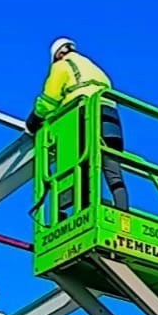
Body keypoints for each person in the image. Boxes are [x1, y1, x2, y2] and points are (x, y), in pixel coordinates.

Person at [25, 37, 128, 212]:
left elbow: (49, 100)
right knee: (112, 167)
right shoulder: (95, 68)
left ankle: (82, 210)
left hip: (82, 114)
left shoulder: (62, 66)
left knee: (79, 166)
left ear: (58, 55)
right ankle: (123, 210)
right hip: (109, 114)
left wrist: (33, 120)